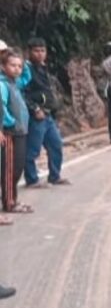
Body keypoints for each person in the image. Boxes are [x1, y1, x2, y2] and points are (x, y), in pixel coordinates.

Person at [23, 37, 70, 188]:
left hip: (48, 115)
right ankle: (32, 179)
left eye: (42, 51)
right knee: (33, 149)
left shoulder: (42, 68)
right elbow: (22, 93)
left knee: (56, 145)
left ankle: (54, 176)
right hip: (36, 116)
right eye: (36, 51)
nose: (40, 54)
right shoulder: (25, 70)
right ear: (28, 52)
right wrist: (35, 108)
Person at [0, 50, 33, 215]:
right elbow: (1, 108)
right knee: (10, 169)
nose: (17, 69)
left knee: (17, 167)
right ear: (3, 66)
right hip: (10, 132)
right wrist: (8, 123)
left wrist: (24, 63)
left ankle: (12, 199)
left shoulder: (15, 83)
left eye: (19, 66)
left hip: (20, 131)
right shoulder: (3, 84)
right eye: (12, 65)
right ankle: (9, 203)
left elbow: (27, 77)